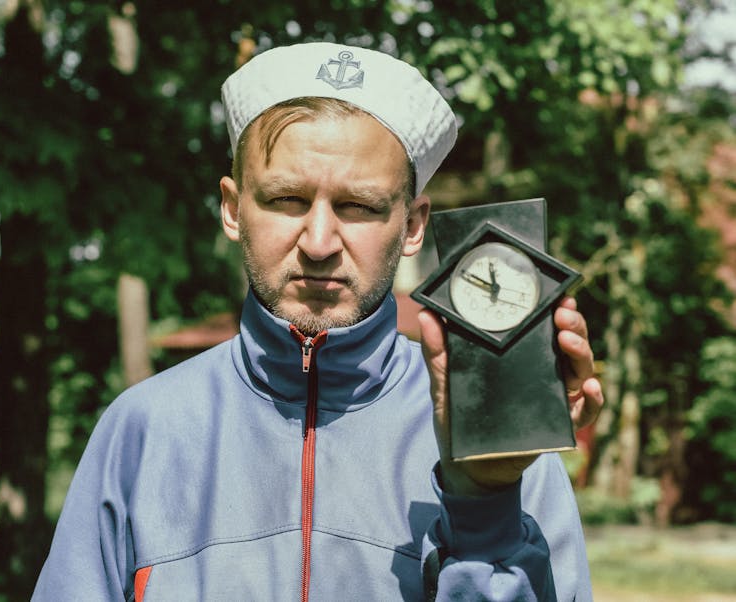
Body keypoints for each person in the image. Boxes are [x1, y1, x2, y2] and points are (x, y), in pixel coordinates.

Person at [33, 42, 603, 601]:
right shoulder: (142, 430)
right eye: (285, 199)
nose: (320, 242)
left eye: (359, 206)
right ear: (234, 209)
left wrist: (484, 500)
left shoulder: (499, 445)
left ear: (412, 225)